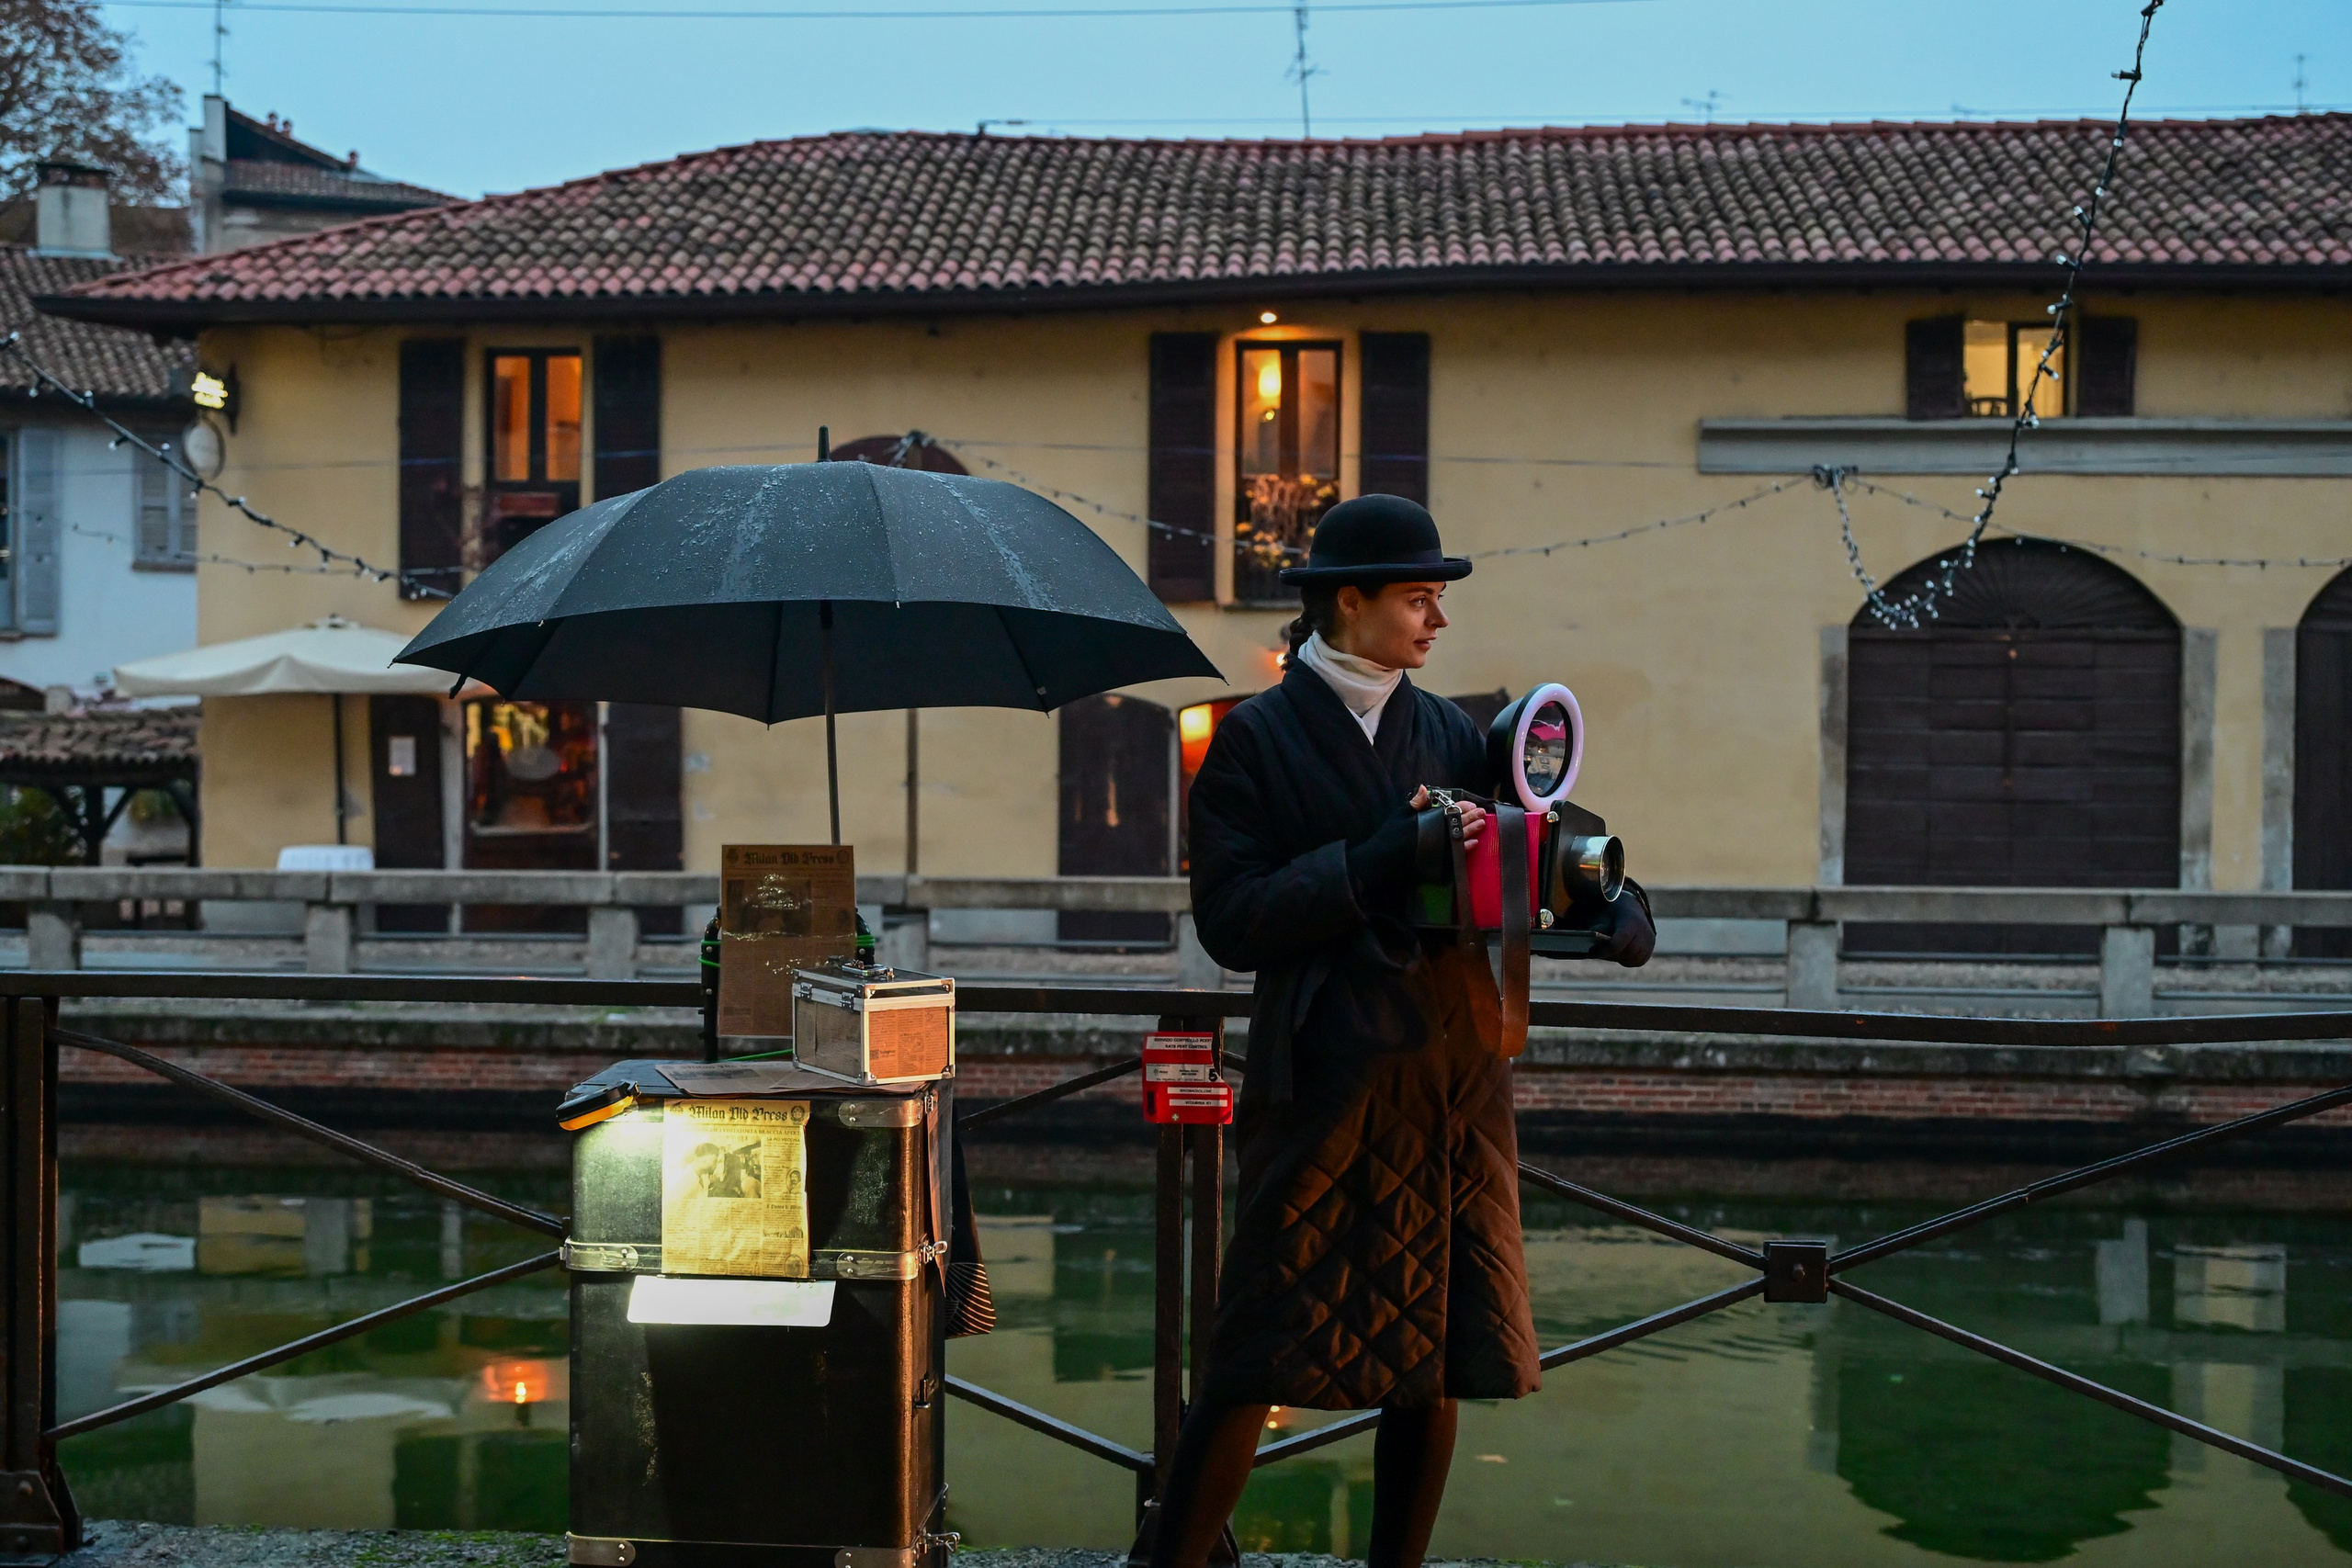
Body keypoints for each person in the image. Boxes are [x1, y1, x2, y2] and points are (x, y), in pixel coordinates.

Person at [1161, 494, 1655, 1568]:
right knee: (1255, 1349)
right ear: (1349, 600)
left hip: (1448, 1077)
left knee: (1433, 1355)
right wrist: (1374, 860)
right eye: (1419, 598)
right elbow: (1230, 922)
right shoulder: (1250, 740)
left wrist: (1610, 899)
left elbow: (1530, 848)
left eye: (1438, 599)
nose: (1438, 620)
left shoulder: (1455, 734)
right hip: (1323, 1077)